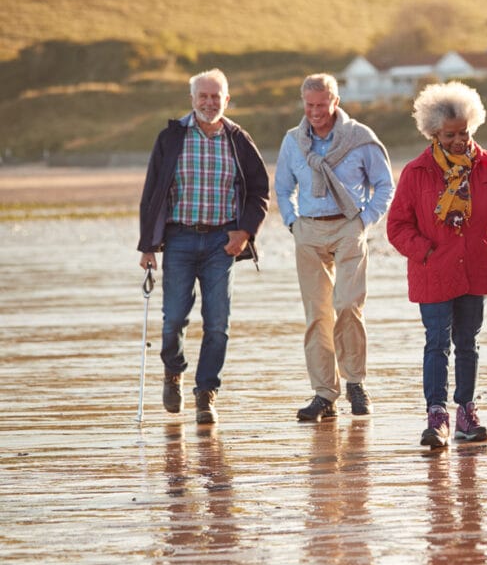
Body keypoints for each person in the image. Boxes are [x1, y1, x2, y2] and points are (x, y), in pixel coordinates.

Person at [138, 68, 270, 425]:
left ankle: (206, 394)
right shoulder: (171, 136)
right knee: (173, 320)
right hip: (179, 238)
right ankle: (173, 372)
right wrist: (148, 246)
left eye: (217, 97)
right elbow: (152, 191)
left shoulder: (238, 139)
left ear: (227, 99)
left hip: (221, 242)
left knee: (217, 324)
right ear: (193, 100)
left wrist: (243, 233)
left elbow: (259, 190)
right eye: (203, 97)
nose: (210, 103)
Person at [387, 82, 487, 447]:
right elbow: (396, 226)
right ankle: (436, 415)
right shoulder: (416, 171)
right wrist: (425, 251)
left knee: (468, 342)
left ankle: (466, 413)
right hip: (433, 272)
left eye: (464, 132)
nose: (459, 140)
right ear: (433, 132)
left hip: (475, 268)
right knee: (437, 342)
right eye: (450, 134)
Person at [275, 73, 394, 422]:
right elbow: (283, 188)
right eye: (309, 105)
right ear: (303, 103)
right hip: (308, 232)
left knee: (347, 306)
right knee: (317, 316)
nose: (315, 112)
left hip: (348, 226)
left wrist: (363, 221)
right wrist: (292, 223)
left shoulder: (360, 139)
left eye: (322, 105)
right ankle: (324, 394)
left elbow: (384, 185)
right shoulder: (293, 141)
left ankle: (355, 382)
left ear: (335, 102)